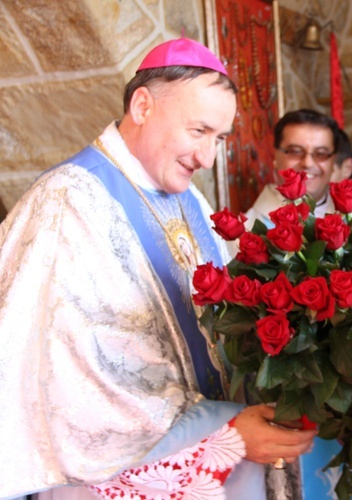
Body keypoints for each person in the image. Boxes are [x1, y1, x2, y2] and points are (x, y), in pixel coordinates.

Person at [0, 37, 316, 500]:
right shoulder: (67, 203)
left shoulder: (189, 200)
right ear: (143, 106)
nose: (208, 158)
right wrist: (225, 429)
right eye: (198, 131)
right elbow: (72, 386)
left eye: (220, 138)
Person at [245, 108, 341, 228]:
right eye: (295, 151)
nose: (308, 163)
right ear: (274, 154)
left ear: (333, 161)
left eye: (321, 153)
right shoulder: (247, 230)